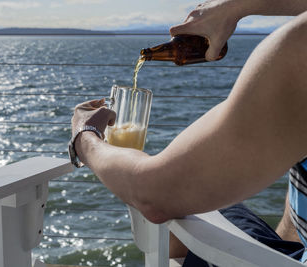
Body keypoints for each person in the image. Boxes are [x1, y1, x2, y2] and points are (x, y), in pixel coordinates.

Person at [69, 0, 307, 264]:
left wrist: (85, 137)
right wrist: (235, 7)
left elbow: (154, 196)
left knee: (179, 213)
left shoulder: (299, 48)